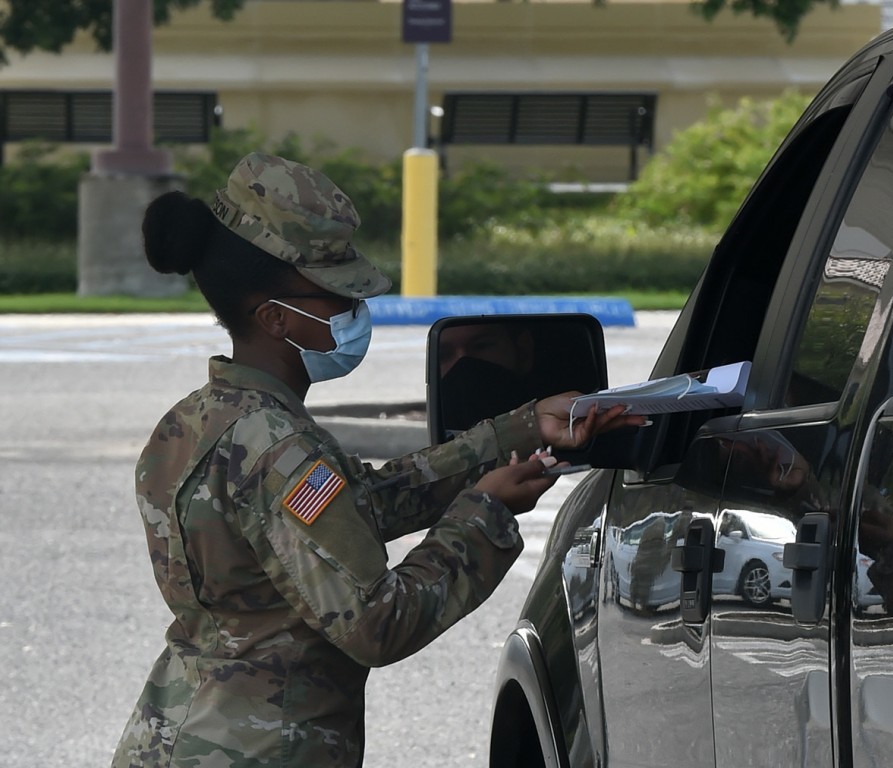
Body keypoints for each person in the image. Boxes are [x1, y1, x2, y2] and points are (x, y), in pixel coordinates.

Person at [112, 152, 641, 768]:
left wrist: (519, 428)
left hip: (175, 733)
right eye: (336, 296)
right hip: (263, 748)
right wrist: (485, 513)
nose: (354, 311)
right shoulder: (280, 448)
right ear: (276, 317)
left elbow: (355, 505)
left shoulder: (194, 422)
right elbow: (376, 622)